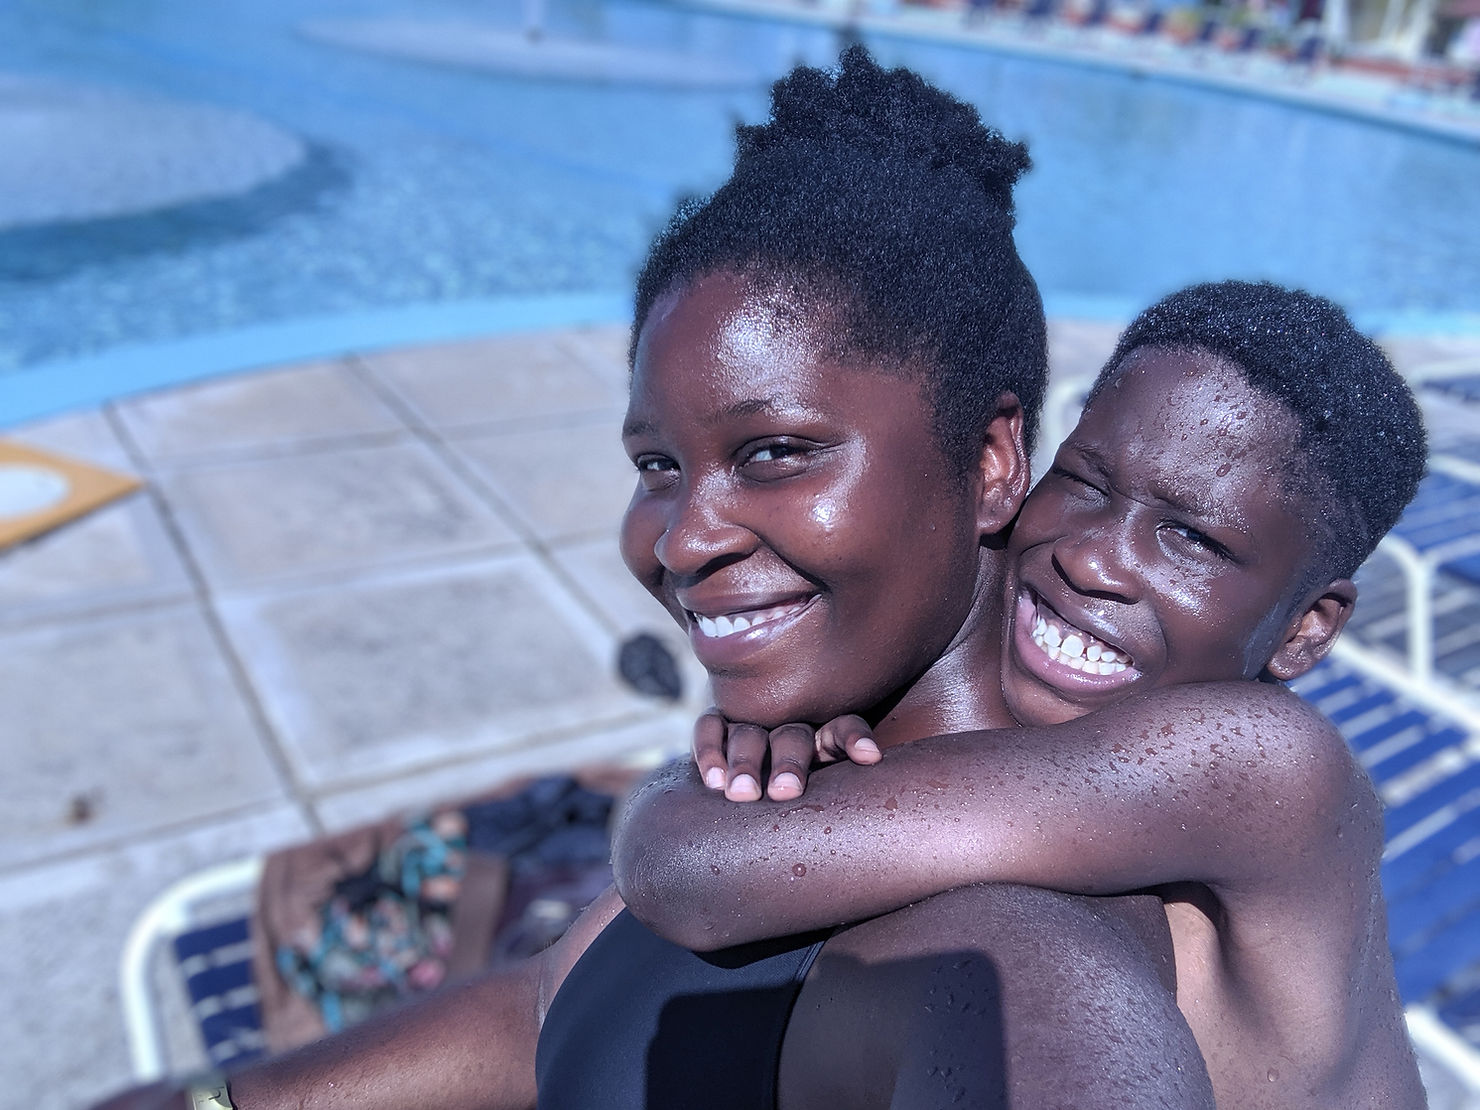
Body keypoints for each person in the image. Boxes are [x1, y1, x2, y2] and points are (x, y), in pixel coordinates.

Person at [93, 48, 1216, 1110]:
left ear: (991, 461)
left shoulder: (1009, 948)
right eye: (658, 467)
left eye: (775, 452)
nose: (681, 542)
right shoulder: (777, 804)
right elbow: (556, 1004)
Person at [612, 279, 1431, 1108]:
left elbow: (694, 872)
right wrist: (782, 758)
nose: (1091, 558)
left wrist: (685, 792)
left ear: (1305, 630)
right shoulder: (1113, 767)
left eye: (1191, 538)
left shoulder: (1263, 760)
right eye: (1083, 481)